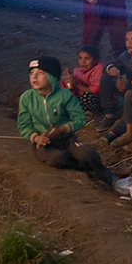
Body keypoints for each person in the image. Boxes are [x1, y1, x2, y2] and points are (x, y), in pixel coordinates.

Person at [16, 56, 116, 185]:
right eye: (31, 73)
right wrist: (36, 138)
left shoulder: (64, 95)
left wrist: (63, 128)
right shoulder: (26, 98)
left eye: (40, 73)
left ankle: (106, 176)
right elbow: (24, 125)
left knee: (86, 154)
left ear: (52, 76)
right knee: (58, 158)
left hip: (66, 139)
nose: (34, 77)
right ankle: (85, 171)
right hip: (44, 143)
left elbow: (80, 118)